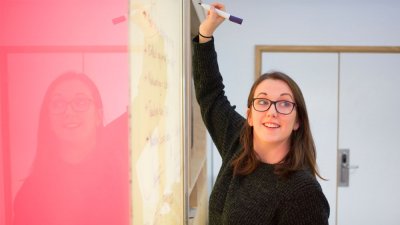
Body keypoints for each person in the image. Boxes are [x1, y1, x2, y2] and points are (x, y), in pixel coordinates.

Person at [192, 3, 330, 225]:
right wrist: (206, 33)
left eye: (284, 104)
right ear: (250, 115)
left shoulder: (303, 192)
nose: (272, 112)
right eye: (263, 101)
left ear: (297, 121)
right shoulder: (237, 141)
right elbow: (211, 95)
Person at [13, 72, 129, 225]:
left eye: (80, 102)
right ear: (48, 118)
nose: (68, 111)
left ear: (98, 116)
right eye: (58, 104)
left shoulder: (121, 170)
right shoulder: (31, 194)